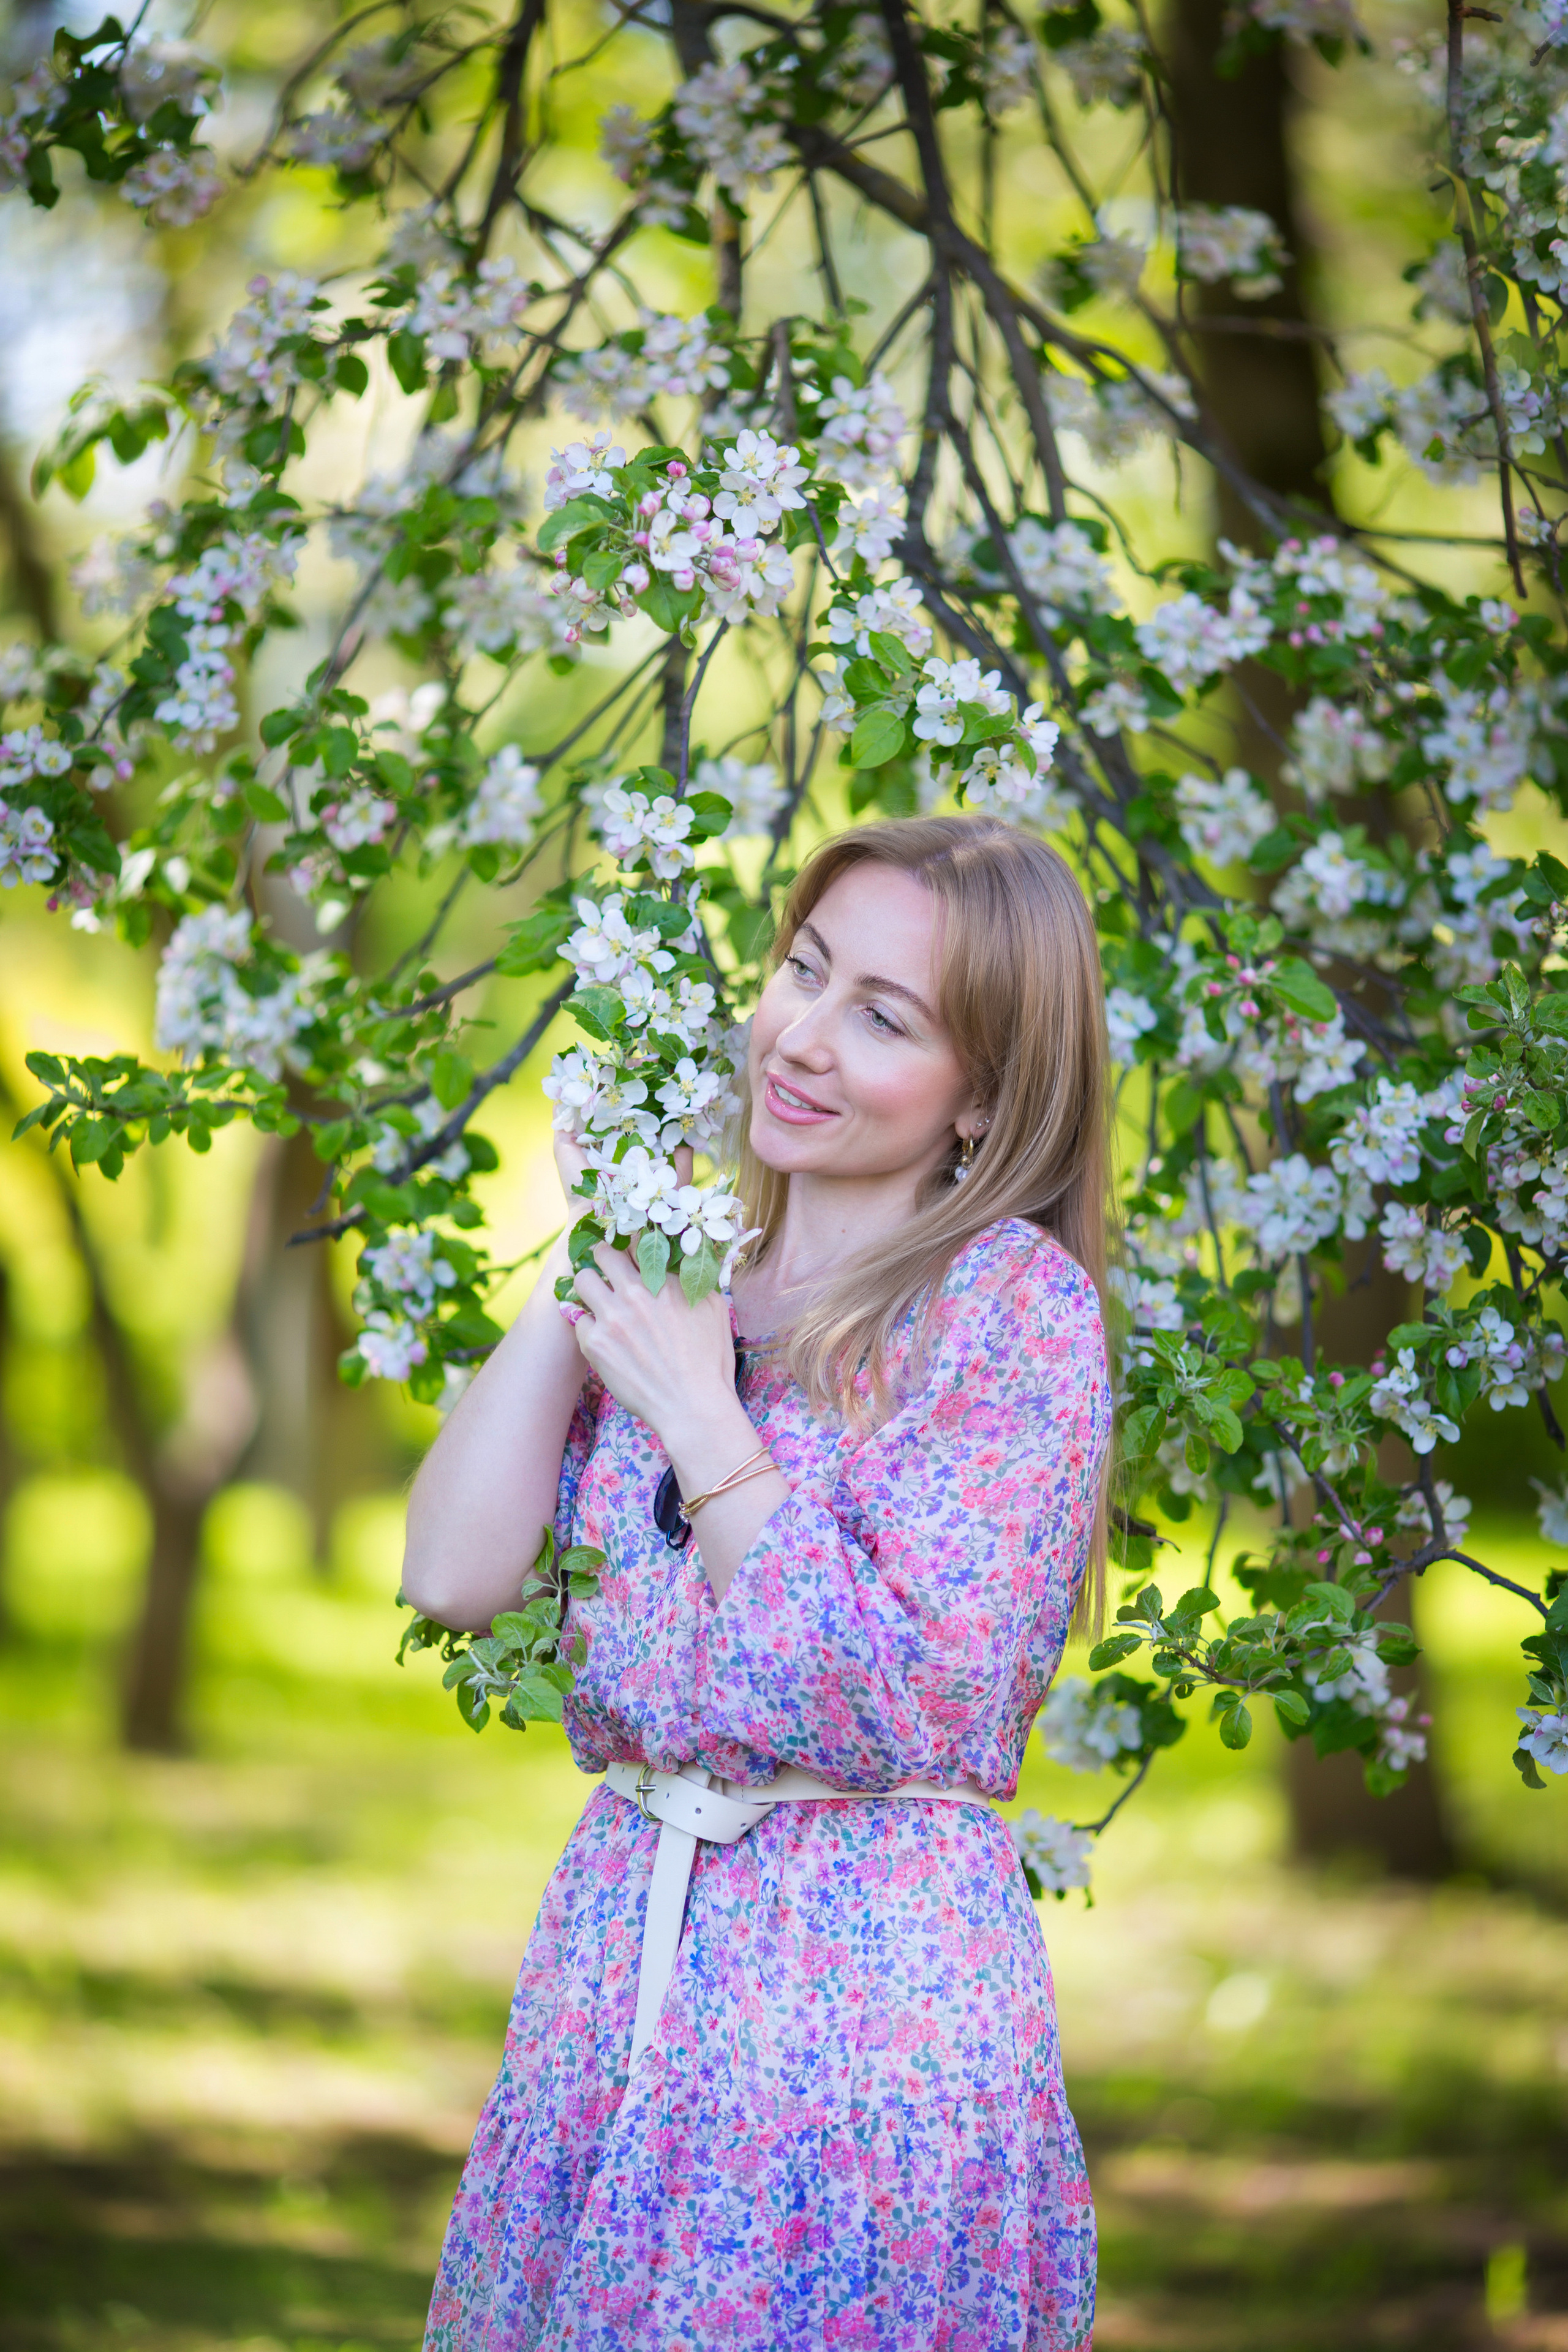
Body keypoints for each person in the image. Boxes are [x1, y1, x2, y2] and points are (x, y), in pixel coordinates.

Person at [405, 813, 1115, 2351]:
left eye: (882, 1014)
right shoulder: (686, 1275)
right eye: (804, 968)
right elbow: (456, 1573)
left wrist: (703, 1421)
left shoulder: (1009, 1313)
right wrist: (597, 1255)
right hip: (621, 1971)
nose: (799, 1035)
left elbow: (897, 1697)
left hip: (856, 2016)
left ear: (982, 1097)